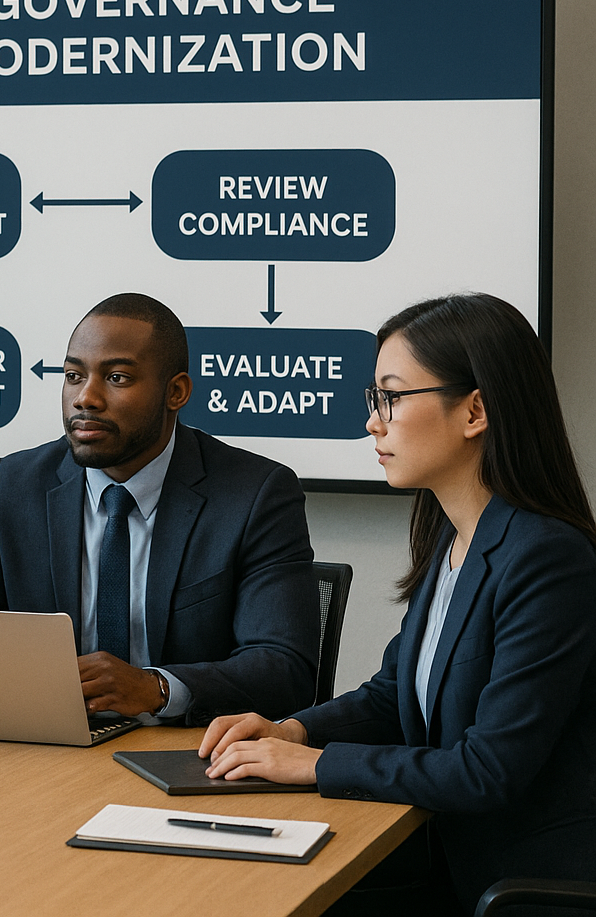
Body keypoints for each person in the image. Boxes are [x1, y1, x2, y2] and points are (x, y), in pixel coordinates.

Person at [200, 294, 596, 912]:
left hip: (520, 885)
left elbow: (487, 769)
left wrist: (313, 764)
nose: (373, 423)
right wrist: (292, 729)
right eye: (373, 401)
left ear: (476, 410)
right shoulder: (454, 536)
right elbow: (393, 693)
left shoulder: (548, 557)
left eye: (392, 398)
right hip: (446, 858)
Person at [0, 293, 318, 724]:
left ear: (176, 392)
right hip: (47, 748)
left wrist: (156, 687)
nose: (86, 398)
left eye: (116, 378)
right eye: (74, 376)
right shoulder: (14, 486)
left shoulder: (255, 494)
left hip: (184, 752)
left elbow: (285, 669)